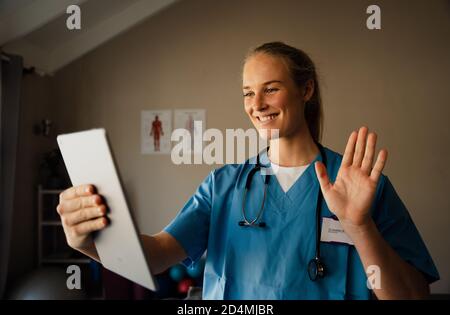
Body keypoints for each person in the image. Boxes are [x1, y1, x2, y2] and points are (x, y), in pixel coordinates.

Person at [56, 42, 439, 300]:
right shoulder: (223, 186)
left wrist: (359, 226)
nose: (256, 104)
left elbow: (413, 295)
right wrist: (89, 242)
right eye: (247, 92)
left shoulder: (359, 184)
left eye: (271, 89)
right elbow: (157, 254)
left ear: (305, 91)